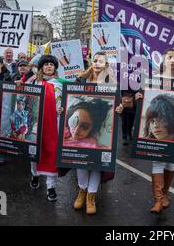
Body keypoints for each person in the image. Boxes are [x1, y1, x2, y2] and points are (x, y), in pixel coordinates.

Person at [135, 48, 174, 214]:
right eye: (169, 57)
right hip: (158, 136)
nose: (172, 60)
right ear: (163, 61)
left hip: (173, 132)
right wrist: (139, 96)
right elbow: (144, 98)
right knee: (157, 161)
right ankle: (158, 200)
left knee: (171, 162)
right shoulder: (154, 79)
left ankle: (165, 194)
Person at [72, 51, 120, 215]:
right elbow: (70, 98)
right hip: (82, 126)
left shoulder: (110, 82)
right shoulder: (81, 80)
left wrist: (119, 107)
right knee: (80, 160)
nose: (98, 63)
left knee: (97, 165)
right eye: (95, 60)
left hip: (101, 128)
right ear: (92, 62)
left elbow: (117, 103)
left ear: (106, 65)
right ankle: (82, 192)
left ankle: (91, 197)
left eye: (102, 61)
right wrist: (62, 108)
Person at [24, 55, 64, 202]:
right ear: (41, 67)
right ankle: (35, 174)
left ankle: (50, 186)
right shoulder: (34, 82)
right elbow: (25, 98)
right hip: (36, 123)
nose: (49, 67)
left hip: (55, 123)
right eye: (46, 64)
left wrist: (62, 109)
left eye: (51, 65)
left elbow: (68, 101)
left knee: (52, 152)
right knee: (35, 151)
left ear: (55, 68)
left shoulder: (60, 84)